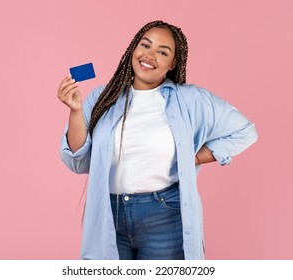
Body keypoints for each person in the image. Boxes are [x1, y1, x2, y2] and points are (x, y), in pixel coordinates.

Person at [57, 20, 258, 260]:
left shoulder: (189, 99)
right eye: (145, 45)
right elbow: (77, 161)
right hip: (108, 216)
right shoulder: (102, 97)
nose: (150, 56)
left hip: (165, 215)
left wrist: (193, 157)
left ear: (172, 63)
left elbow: (245, 131)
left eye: (162, 52)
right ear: (134, 49)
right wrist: (76, 111)